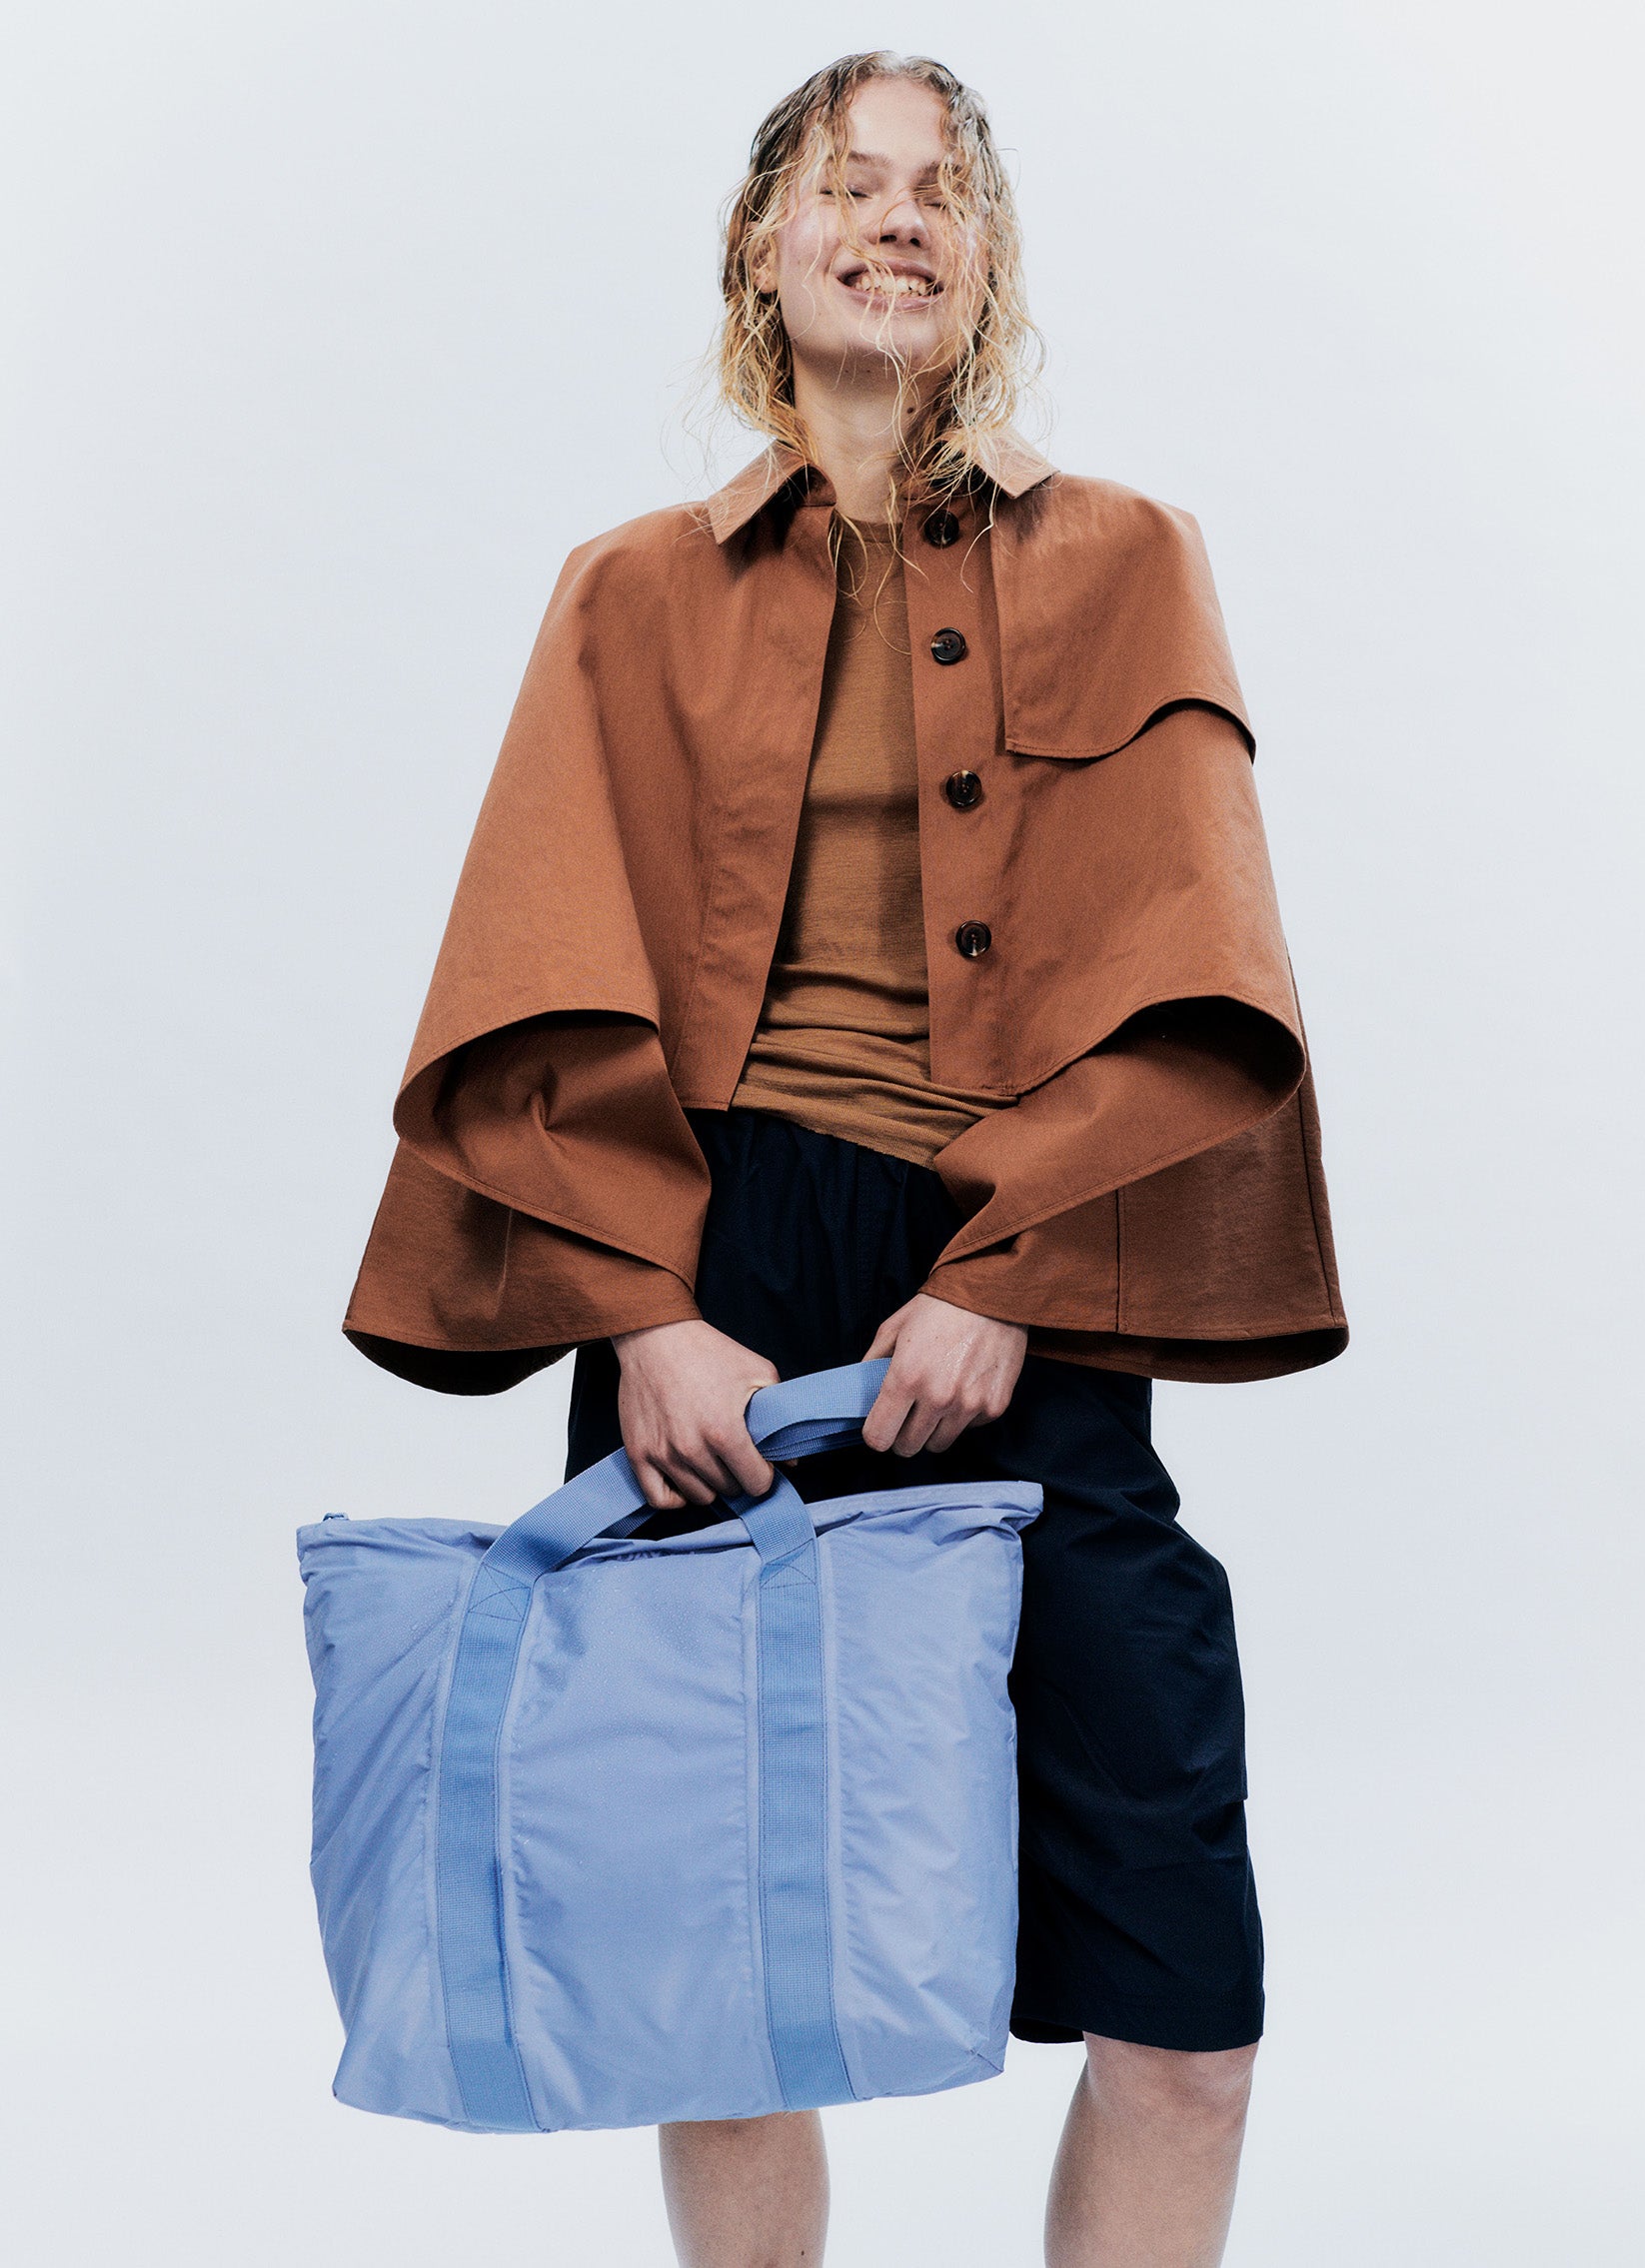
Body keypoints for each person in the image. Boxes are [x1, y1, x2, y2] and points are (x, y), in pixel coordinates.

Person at [345, 50, 1344, 2268]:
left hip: (1020, 1254)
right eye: (846, 183)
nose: (895, 217)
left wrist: (1002, 1277)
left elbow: (1192, 958)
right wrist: (643, 1320)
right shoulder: (624, 592)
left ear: (982, 263)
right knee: (720, 1986)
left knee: (1184, 1998)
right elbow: (535, 961)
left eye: (938, 191)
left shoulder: (1131, 561)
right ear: (760, 248)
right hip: (706, 1255)